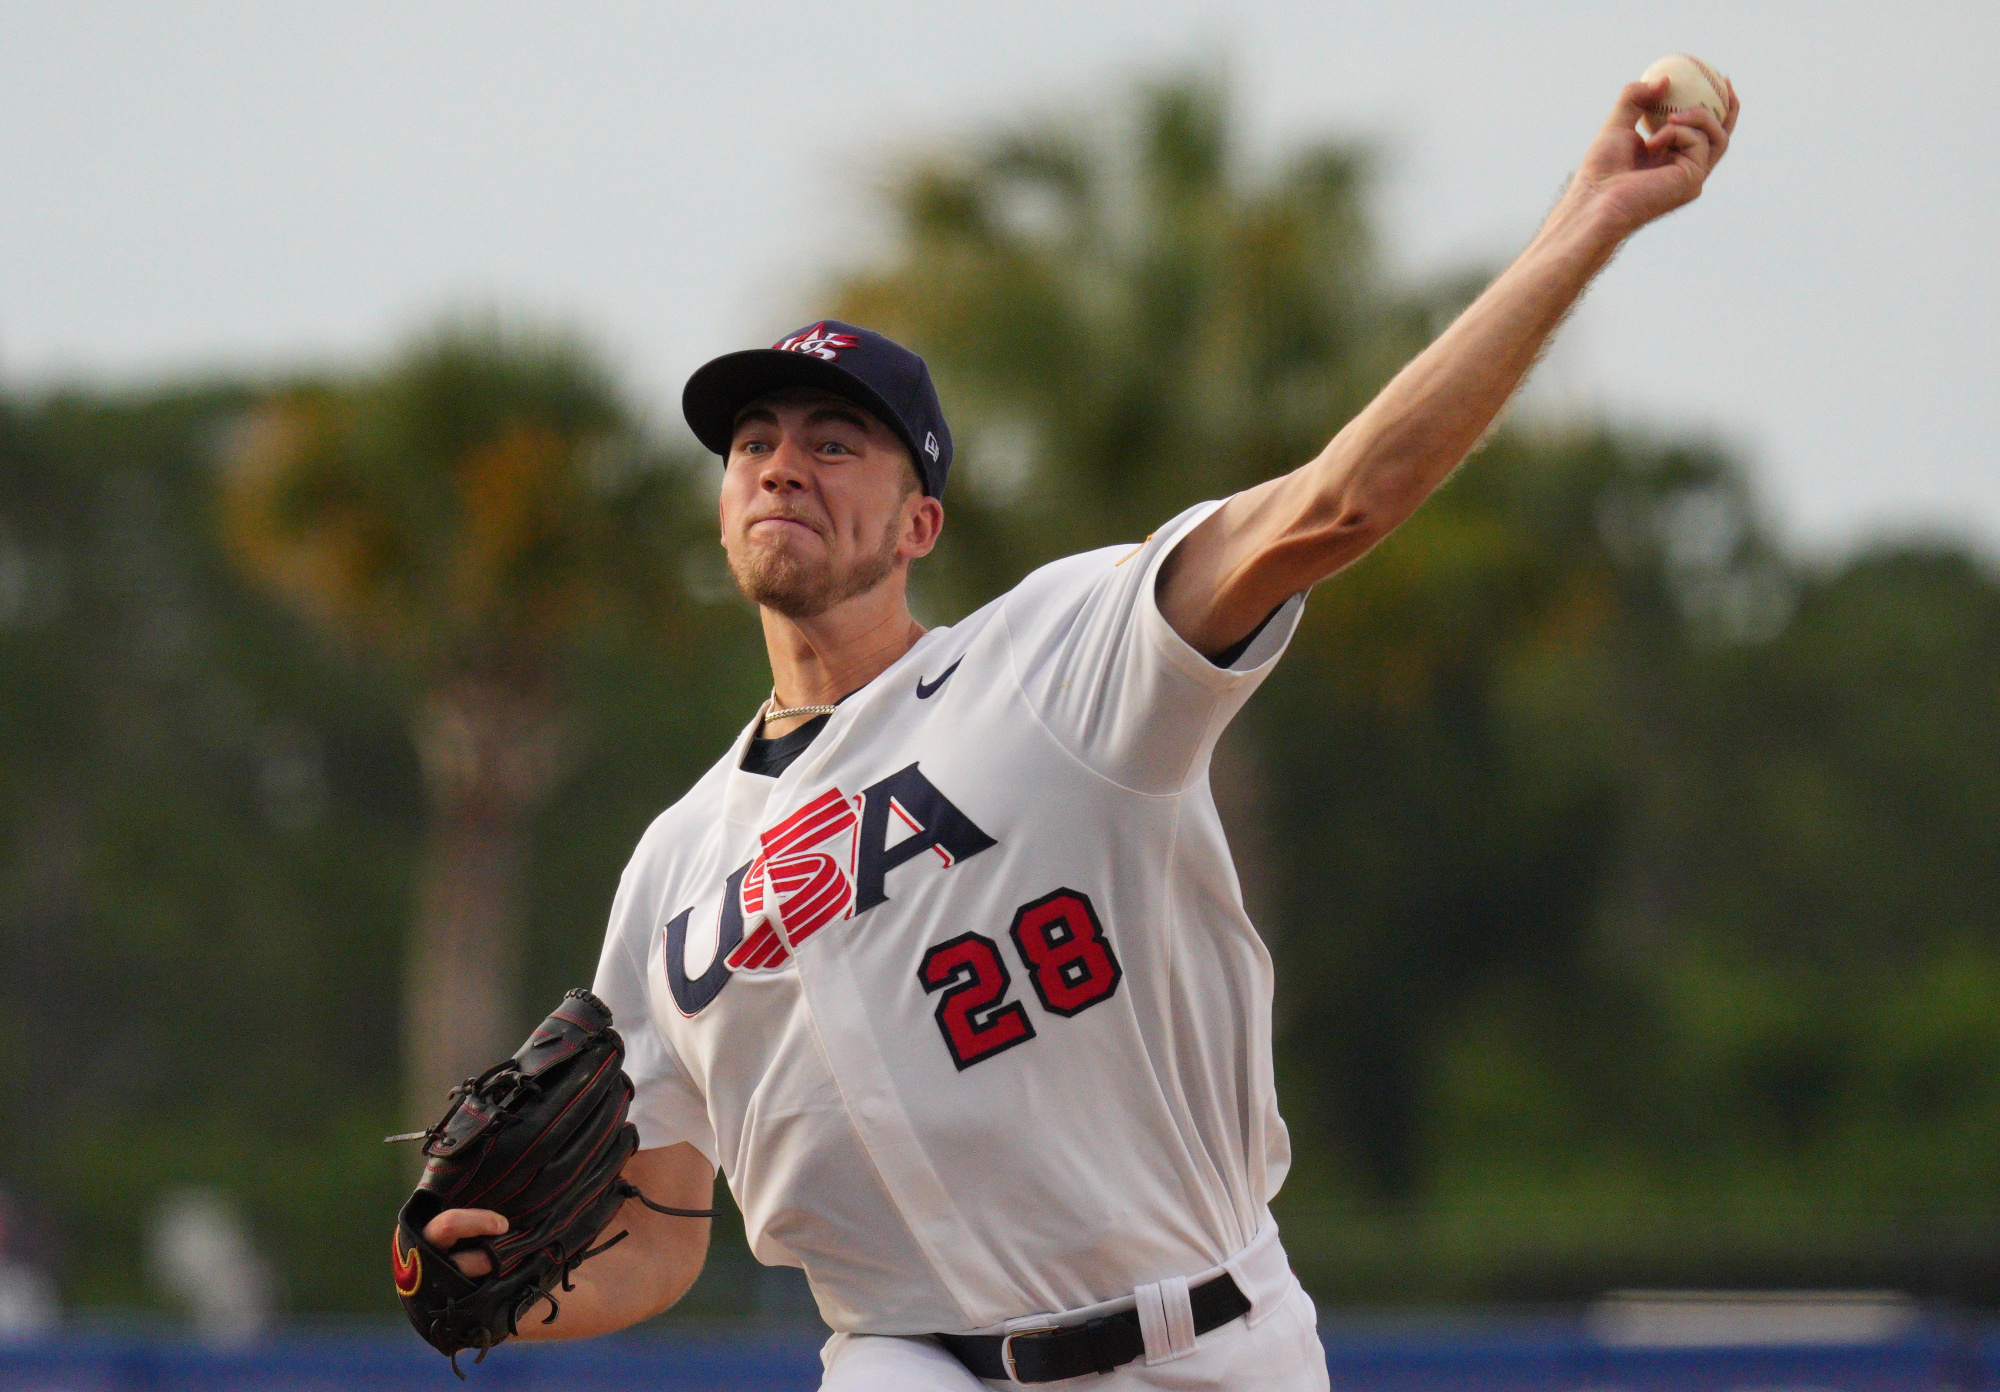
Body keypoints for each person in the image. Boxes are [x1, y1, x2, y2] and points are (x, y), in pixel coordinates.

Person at [422, 73, 1737, 1388]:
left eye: (838, 443)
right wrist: (485, 1295)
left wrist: (1587, 220)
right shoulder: (674, 864)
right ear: (721, 505)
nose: (782, 463)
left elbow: (1341, 504)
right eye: (754, 440)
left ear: (919, 525)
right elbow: (657, 1237)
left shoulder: (1063, 658)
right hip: (903, 1360)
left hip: (1210, 1339)